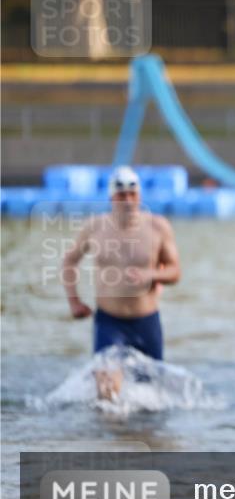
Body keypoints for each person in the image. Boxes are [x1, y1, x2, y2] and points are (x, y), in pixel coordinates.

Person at [62, 166, 182, 399]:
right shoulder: (95, 227)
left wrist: (151, 275)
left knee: (152, 399)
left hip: (147, 324)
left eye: (132, 194)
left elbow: (175, 272)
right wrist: (74, 302)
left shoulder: (158, 227)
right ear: (111, 197)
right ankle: (111, 435)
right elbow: (69, 261)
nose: (127, 200)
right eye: (121, 195)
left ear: (139, 196)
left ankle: (144, 436)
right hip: (109, 323)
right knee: (107, 397)